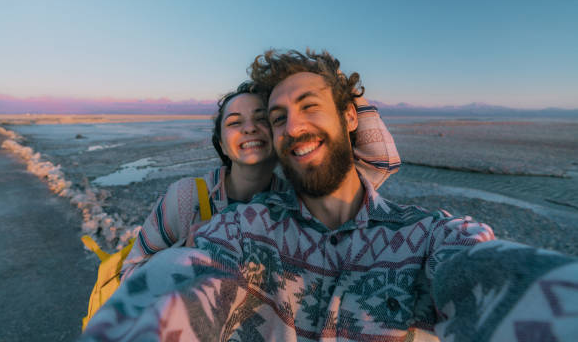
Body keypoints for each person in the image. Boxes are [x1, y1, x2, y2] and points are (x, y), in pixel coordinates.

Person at [82, 50, 577, 342]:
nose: (291, 126)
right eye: (279, 118)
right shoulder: (242, 229)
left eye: (309, 106)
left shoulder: (427, 237)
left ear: (349, 118)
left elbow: (489, 272)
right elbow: (184, 277)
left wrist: (341, 91)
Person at [121, 79, 401, 280]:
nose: (250, 128)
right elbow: (130, 275)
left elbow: (380, 161)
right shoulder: (186, 198)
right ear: (220, 141)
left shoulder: (296, 199)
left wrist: (336, 82)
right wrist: (185, 253)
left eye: (263, 119)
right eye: (234, 122)